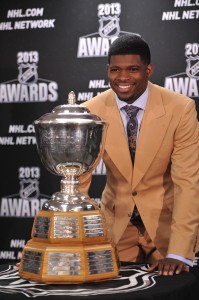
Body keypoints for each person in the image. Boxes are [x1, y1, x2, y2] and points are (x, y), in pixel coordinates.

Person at [79, 34, 199, 276]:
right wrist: (68, 244)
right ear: (107, 70)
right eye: (115, 70)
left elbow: (188, 182)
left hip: (167, 228)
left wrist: (178, 252)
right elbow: (78, 184)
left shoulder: (180, 108)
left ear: (149, 69)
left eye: (133, 69)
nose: (123, 78)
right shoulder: (90, 111)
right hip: (115, 228)